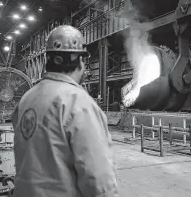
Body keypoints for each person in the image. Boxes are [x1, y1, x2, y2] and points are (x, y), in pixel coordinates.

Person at [12, 25, 118, 197]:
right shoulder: (78, 103)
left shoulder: (27, 98)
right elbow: (98, 178)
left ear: (48, 59)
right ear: (81, 61)